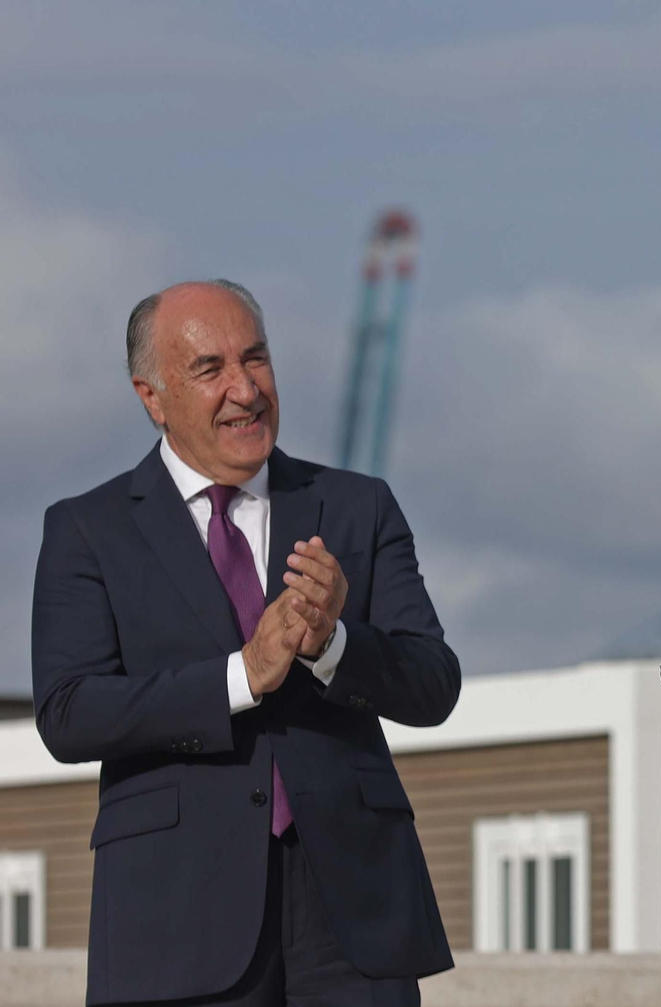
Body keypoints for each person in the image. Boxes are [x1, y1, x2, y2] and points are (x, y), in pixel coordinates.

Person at [32, 280, 460, 1006]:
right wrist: (240, 676)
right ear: (152, 395)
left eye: (255, 358)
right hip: (174, 917)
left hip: (353, 914)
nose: (245, 388)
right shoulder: (87, 529)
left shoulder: (358, 506)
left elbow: (433, 682)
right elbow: (69, 712)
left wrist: (332, 644)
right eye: (210, 369)